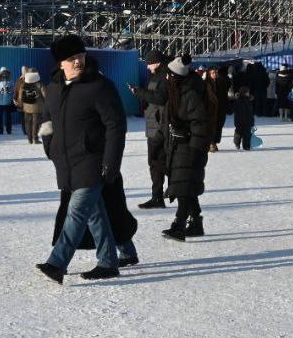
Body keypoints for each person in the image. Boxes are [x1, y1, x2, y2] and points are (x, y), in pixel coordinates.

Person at [35, 35, 128, 283]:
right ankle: (109, 261)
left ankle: (57, 263)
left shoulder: (99, 86)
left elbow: (116, 125)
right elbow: (46, 121)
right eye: (72, 58)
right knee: (95, 213)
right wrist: (50, 147)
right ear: (61, 63)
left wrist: (111, 162)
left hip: (92, 161)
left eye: (81, 56)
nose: (78, 62)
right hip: (66, 163)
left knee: (76, 212)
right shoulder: (53, 88)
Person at [162, 56, 215, 241]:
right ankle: (196, 224)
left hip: (189, 147)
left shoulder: (189, 94)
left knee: (183, 189)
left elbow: (200, 124)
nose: (166, 77)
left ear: (175, 76)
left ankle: (179, 225)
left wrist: (193, 150)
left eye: (168, 75)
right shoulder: (177, 92)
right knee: (186, 186)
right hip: (178, 147)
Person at [127, 50, 169, 208]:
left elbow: (160, 98)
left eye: (149, 64)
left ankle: (164, 194)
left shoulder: (164, 76)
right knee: (157, 162)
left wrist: (140, 92)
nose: (147, 67)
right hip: (154, 123)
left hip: (159, 125)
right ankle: (158, 196)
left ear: (157, 62)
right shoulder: (156, 75)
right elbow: (153, 96)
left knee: (158, 161)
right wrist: (139, 93)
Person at [19, 68, 46, 144]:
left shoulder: (23, 84)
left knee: (28, 123)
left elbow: (20, 97)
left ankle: (29, 139)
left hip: (26, 107)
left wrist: (21, 105)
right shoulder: (40, 84)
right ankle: (35, 139)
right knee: (36, 123)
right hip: (37, 107)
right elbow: (45, 95)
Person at [232, 85, 255, 150]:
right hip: (239, 120)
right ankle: (237, 143)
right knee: (238, 133)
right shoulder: (238, 100)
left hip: (248, 120)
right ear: (244, 93)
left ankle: (246, 146)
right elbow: (233, 109)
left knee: (247, 134)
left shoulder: (249, 100)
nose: (248, 93)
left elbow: (251, 112)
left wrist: (252, 120)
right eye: (247, 92)